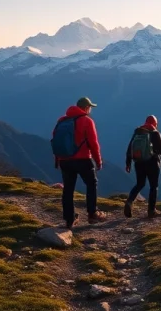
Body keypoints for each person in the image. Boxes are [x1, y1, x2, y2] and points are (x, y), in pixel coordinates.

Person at [52, 97, 106, 228]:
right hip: (83, 160)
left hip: (65, 160)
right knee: (92, 184)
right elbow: (93, 144)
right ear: (87, 108)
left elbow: (56, 140)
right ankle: (92, 213)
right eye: (90, 107)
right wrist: (98, 161)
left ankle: (69, 219)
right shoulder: (87, 121)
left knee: (68, 189)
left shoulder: (62, 120)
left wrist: (58, 159)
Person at [124, 114, 161, 219]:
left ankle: (129, 202)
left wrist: (128, 163)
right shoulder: (155, 133)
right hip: (152, 163)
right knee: (154, 186)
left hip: (139, 162)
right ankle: (151, 211)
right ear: (155, 123)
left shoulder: (138, 132)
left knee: (140, 183)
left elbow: (130, 148)